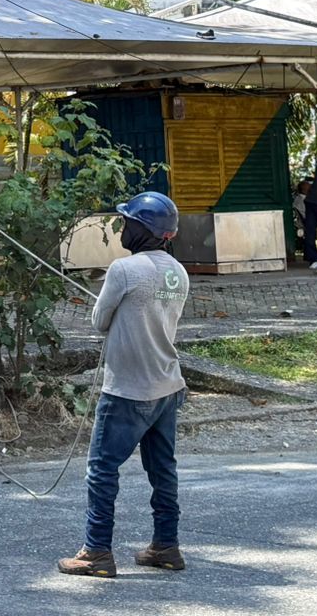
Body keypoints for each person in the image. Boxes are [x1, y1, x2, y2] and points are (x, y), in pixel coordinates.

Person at [58, 192, 191, 579]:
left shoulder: (124, 269)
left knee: (101, 470)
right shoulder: (178, 272)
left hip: (128, 390)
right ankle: (166, 547)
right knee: (163, 470)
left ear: (142, 229)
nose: (122, 227)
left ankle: (96, 552)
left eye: (127, 222)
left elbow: (100, 321)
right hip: (168, 384)